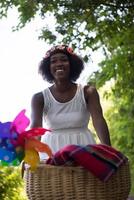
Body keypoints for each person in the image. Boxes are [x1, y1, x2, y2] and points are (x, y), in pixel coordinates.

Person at [30, 45, 111, 160]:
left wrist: (109, 151)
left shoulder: (88, 92)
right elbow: (36, 129)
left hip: (83, 148)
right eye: (53, 61)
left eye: (64, 60)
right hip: (52, 152)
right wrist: (30, 156)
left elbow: (98, 120)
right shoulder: (39, 98)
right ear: (48, 68)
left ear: (72, 65)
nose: (59, 64)